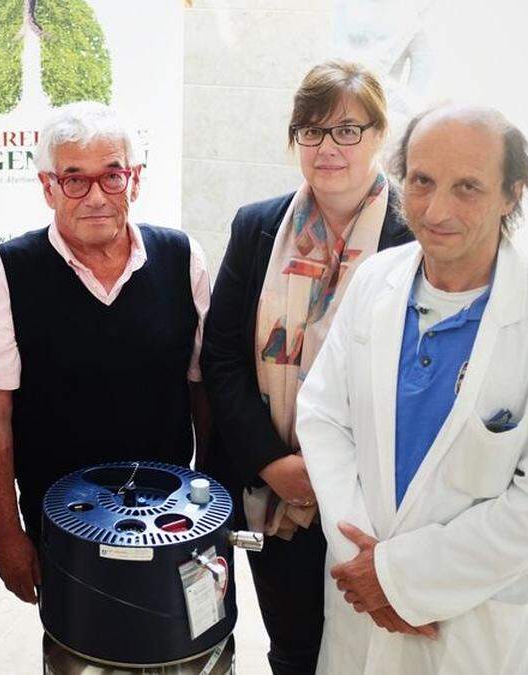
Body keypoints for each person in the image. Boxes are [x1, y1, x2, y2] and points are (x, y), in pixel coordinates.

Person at [297, 103, 528, 674]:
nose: (437, 210)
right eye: (421, 181)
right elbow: (322, 416)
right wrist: (362, 564)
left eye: (467, 187)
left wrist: (400, 578)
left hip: (465, 621)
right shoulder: (375, 281)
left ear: (512, 194)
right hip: (357, 600)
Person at [199, 60, 415, 675]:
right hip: (277, 491)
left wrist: (335, 477)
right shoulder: (258, 226)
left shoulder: (413, 237)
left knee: (370, 650)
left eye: (347, 130)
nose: (328, 147)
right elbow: (221, 357)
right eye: (312, 131)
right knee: (294, 649)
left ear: (380, 135)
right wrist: (274, 463)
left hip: (374, 500)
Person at [0, 101, 211, 605]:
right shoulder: (8, 270)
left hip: (169, 518)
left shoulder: (182, 258)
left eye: (113, 176)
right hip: (60, 525)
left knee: (171, 647)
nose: (96, 196)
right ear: (48, 187)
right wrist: (8, 534)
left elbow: (202, 389)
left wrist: (208, 499)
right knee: (77, 651)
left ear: (136, 180)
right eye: (74, 179)